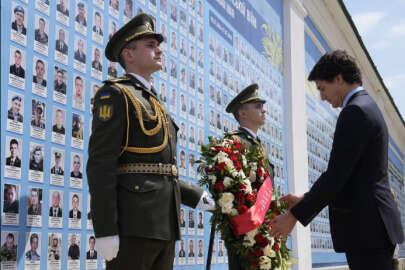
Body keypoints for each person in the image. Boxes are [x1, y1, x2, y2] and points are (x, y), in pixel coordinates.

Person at [86, 13, 214, 270]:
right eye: (150, 45)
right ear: (129, 54)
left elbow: (158, 169)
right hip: (134, 224)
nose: (158, 51)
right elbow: (101, 164)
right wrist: (105, 229)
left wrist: (197, 196)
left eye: (158, 46)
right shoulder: (115, 94)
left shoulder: (154, 101)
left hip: (164, 225)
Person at [270, 50, 404, 270]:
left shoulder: (355, 112)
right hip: (372, 230)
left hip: (366, 230)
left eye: (323, 88)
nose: (322, 97)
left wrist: (294, 215)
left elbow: (336, 176)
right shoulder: (366, 106)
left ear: (339, 79)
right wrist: (305, 199)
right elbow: (351, 176)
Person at [224, 83, 275, 270]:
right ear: (242, 113)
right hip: (245, 231)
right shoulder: (234, 142)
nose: (264, 110)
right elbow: (228, 187)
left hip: (264, 228)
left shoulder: (260, 146)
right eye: (258, 106)